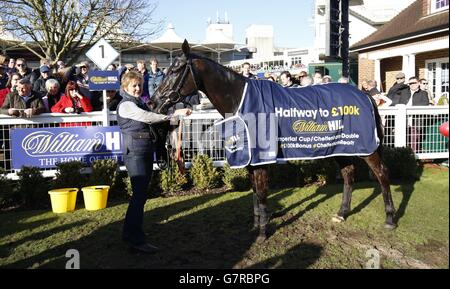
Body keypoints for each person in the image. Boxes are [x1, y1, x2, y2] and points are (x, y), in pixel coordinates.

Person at [116, 71, 191, 253]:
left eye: (139, 85)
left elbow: (154, 113)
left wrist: (177, 112)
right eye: (134, 85)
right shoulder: (126, 105)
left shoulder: (138, 102)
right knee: (139, 196)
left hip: (143, 151)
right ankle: (137, 240)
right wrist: (170, 118)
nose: (137, 88)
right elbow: (148, 117)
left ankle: (129, 233)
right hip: (135, 153)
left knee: (140, 195)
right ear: (125, 87)